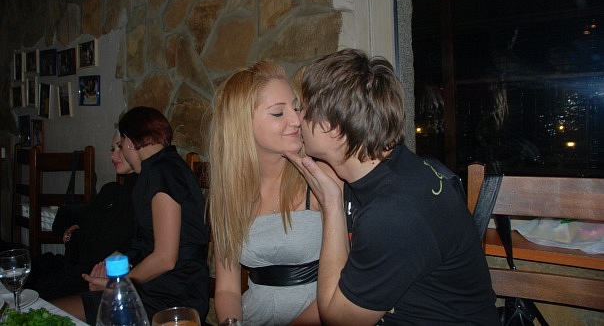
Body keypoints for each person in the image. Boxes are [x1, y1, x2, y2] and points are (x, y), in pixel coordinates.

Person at [285, 49, 500, 325]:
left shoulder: (392, 213)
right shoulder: (387, 167)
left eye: (303, 109)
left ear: (334, 128)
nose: (297, 119)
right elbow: (354, 288)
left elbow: (339, 319)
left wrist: (331, 204)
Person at [209, 61, 339, 326]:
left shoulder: (322, 176)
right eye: (279, 113)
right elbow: (227, 289)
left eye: (296, 107)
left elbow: (351, 279)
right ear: (242, 126)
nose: (297, 120)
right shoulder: (230, 195)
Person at [53, 106, 210, 324]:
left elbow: (165, 259)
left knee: (52, 314)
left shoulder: (163, 172)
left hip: (175, 294)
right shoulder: (159, 169)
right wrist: (114, 269)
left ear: (128, 141)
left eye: (121, 145)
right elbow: (146, 243)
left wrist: (118, 284)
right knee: (54, 311)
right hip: (158, 287)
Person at [26, 131, 137, 300]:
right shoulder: (111, 190)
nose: (112, 155)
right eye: (112, 149)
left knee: (37, 289)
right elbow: (86, 227)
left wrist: (76, 237)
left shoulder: (135, 198)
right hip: (74, 265)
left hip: (87, 275)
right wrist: (78, 229)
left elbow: (92, 249)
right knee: (27, 268)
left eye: (119, 147)